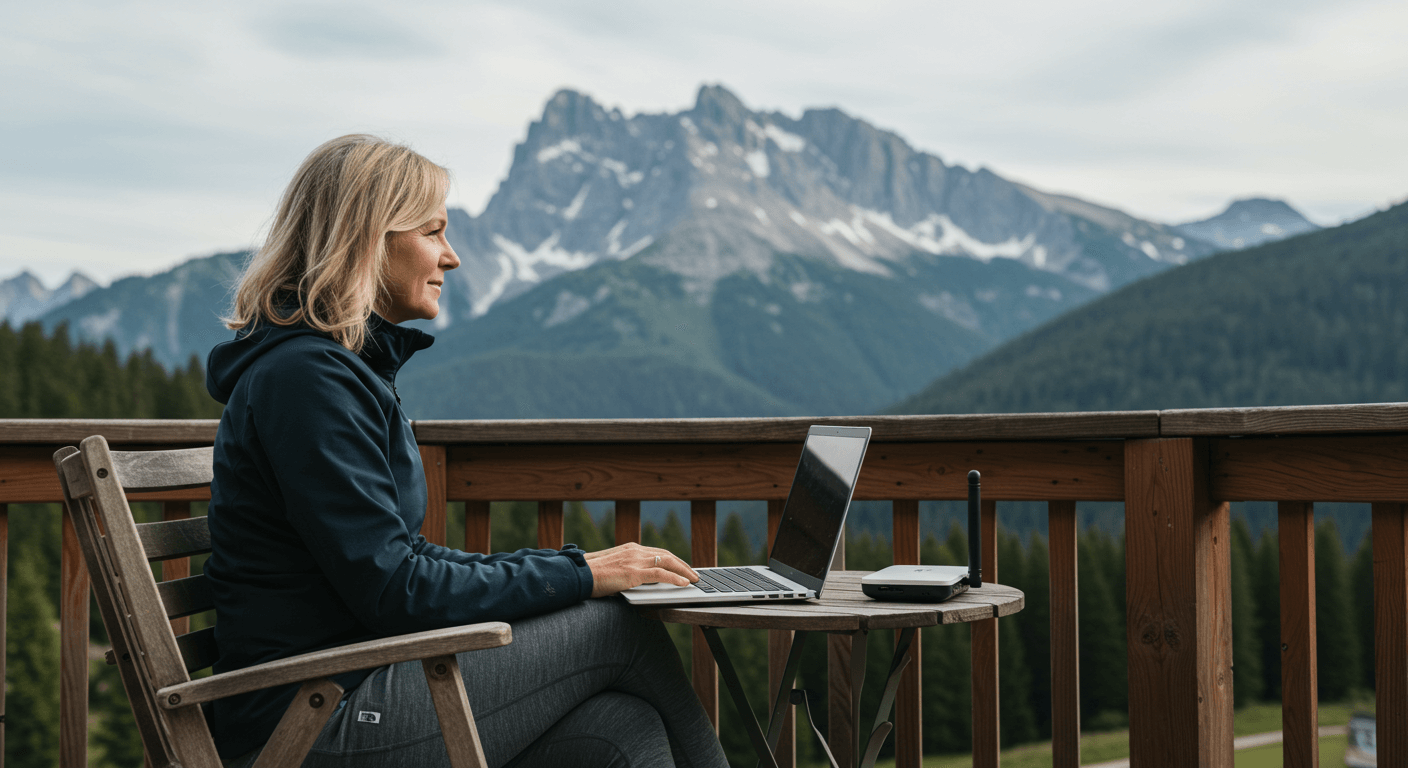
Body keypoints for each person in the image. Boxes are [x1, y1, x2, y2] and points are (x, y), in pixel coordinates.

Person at [204, 134, 729, 768]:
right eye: (433, 232)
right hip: (309, 720)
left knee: (621, 729)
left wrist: (574, 567)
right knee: (619, 625)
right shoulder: (306, 380)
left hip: (355, 678)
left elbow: (399, 563)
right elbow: (398, 587)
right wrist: (581, 573)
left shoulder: (332, 371)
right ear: (368, 237)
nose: (451, 258)